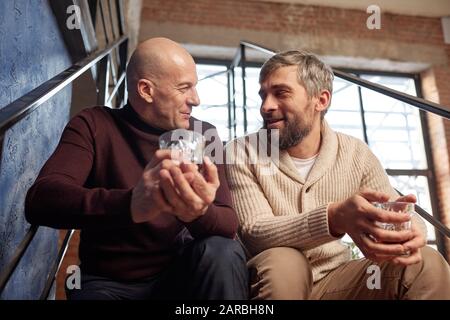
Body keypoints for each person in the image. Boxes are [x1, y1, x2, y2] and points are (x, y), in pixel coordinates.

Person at [25, 37, 248, 300]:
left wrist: (196, 212)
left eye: (195, 87)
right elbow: (41, 200)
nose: (196, 99)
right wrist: (131, 203)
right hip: (109, 282)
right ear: (146, 90)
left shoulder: (204, 134)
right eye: (184, 88)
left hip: (178, 276)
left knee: (223, 252)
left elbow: (227, 224)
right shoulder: (94, 124)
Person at [225, 50, 450, 299]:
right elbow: (254, 231)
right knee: (284, 261)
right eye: (263, 95)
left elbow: (391, 209)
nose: (266, 106)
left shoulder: (355, 153)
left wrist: (410, 231)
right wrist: (333, 218)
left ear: (320, 100)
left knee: (426, 263)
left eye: (280, 93)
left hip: (340, 282)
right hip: (272, 280)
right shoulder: (241, 151)